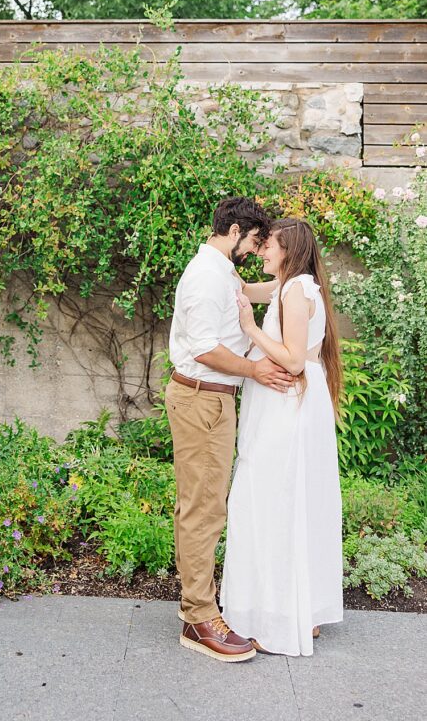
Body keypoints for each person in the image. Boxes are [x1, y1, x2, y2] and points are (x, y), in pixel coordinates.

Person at [166, 197, 296, 662]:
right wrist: (254, 370)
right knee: (203, 509)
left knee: (202, 505)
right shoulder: (205, 276)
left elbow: (258, 292)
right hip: (202, 397)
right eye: (254, 242)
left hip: (212, 400)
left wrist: (295, 280)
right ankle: (200, 619)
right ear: (235, 230)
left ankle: (198, 607)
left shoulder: (220, 271)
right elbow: (203, 348)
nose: (254, 251)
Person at [220, 217, 344, 657]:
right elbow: (247, 288)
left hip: (287, 408)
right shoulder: (293, 286)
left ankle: (274, 616)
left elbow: (292, 360)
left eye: (268, 245)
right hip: (294, 407)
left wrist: (250, 330)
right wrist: (223, 259)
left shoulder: (294, 291)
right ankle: (299, 611)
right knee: (293, 502)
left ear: (288, 250)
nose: (262, 252)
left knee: (271, 501)